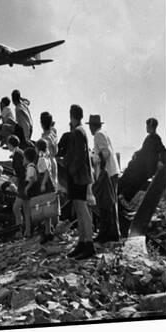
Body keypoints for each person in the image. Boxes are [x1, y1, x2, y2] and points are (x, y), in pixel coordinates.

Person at [65, 105, 95, 260]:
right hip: (81, 176)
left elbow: (79, 155)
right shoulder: (81, 131)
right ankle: (82, 242)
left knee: (82, 210)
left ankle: (88, 243)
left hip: (78, 177)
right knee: (79, 208)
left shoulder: (77, 132)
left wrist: (70, 169)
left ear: (72, 116)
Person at [87, 114, 121, 243]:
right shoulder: (103, 133)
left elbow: (105, 152)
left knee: (106, 204)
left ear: (92, 126)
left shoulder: (98, 135)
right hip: (111, 172)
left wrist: (95, 160)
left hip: (107, 173)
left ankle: (107, 234)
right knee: (111, 203)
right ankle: (112, 233)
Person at [119, 118, 166, 202]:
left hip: (146, 168)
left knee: (133, 178)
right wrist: (136, 153)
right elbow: (143, 150)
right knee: (128, 172)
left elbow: (163, 151)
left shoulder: (156, 138)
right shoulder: (149, 138)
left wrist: (161, 161)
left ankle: (123, 197)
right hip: (141, 166)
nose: (147, 128)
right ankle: (121, 196)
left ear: (151, 127)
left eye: (148, 126)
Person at [36, 139, 56, 243]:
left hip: (45, 183)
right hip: (49, 183)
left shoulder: (41, 158)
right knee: (47, 209)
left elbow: (46, 172)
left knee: (45, 208)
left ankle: (48, 232)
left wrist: (43, 184)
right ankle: (48, 232)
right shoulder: (47, 156)